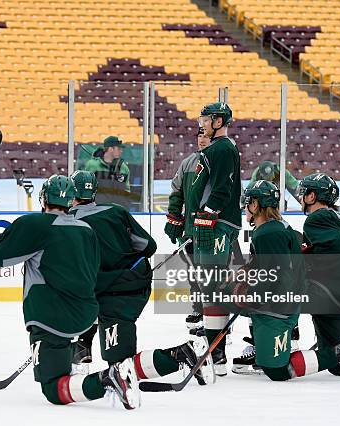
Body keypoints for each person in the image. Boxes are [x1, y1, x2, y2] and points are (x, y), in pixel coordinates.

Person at [0, 174, 140, 409]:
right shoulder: (86, 229)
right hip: (85, 315)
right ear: (71, 201)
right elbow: (91, 270)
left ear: (43, 198)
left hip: (51, 319)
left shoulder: (34, 225)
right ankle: (73, 364)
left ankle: (107, 379)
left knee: (53, 389)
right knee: (60, 369)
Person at [70, 171, 215, 386]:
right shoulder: (116, 212)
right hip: (138, 284)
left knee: (119, 369)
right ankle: (81, 346)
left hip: (113, 296)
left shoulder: (70, 223)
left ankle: (184, 354)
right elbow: (149, 246)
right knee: (117, 367)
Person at [226, 180, 340, 380]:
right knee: (338, 367)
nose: (245, 207)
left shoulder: (275, 231)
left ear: (255, 205)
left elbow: (276, 278)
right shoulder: (278, 226)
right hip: (326, 296)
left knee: (278, 370)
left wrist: (246, 296)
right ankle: (268, 345)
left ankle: (336, 351)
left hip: (308, 301)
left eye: (247, 202)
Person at [169, 102, 242, 377]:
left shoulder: (222, 148)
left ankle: (217, 351)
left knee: (213, 285)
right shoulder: (212, 149)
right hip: (207, 225)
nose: (201, 122)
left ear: (218, 121)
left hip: (217, 226)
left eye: (206, 118)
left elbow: (223, 187)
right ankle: (215, 347)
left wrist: (208, 213)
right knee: (208, 283)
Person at [297, 172, 340, 379]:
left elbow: (335, 248)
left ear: (312, 197)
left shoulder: (316, 219)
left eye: (304, 193)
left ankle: (276, 348)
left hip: (333, 298)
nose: (301, 198)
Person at [164, 129, 211, 332]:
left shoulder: (223, 161)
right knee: (194, 271)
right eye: (199, 136)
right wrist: (175, 217)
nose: (202, 140)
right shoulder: (188, 163)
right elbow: (177, 192)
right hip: (191, 230)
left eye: (206, 136)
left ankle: (215, 310)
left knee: (213, 272)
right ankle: (198, 308)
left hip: (214, 230)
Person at [83, 136, 131, 206]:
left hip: (117, 211)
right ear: (111, 149)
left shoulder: (124, 168)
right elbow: (85, 187)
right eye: (119, 148)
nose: (121, 151)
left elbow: (126, 190)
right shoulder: (92, 165)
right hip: (97, 211)